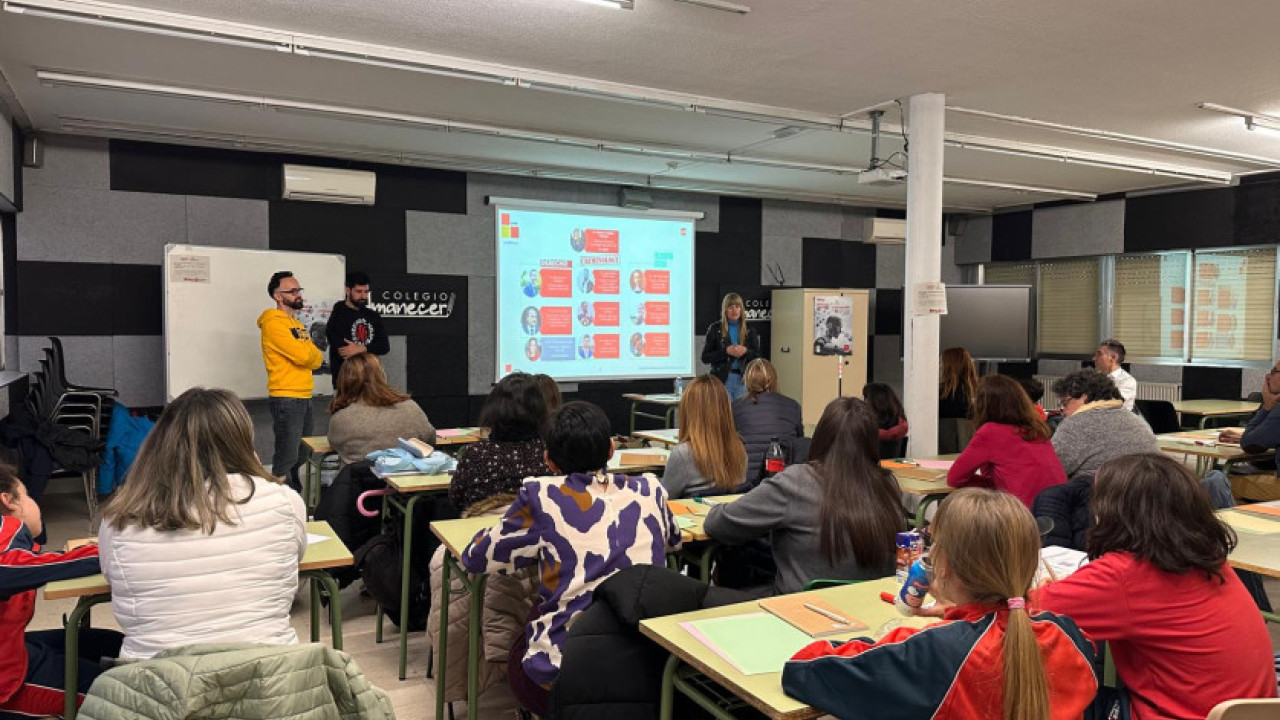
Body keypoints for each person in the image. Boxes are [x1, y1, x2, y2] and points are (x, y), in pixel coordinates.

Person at [783, 489, 1098, 720]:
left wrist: (887, 641)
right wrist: (962, 619)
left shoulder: (933, 652)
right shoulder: (1069, 636)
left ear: (942, 565)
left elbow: (804, 670)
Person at [460, 402, 681, 716]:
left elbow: (477, 559)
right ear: (611, 448)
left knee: (531, 622)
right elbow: (673, 541)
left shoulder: (541, 497)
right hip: (649, 672)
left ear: (548, 459)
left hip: (564, 679)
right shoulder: (651, 489)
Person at [1034, 454, 1277, 720]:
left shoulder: (1124, 575)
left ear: (1110, 513)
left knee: (1040, 686)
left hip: (1174, 714)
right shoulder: (1209, 561)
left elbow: (1021, 613)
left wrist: (1050, 591)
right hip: (1248, 712)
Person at [97, 388, 307, 660]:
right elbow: (294, 559)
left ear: (160, 443)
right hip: (269, 680)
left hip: (157, 688)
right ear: (243, 441)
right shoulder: (285, 501)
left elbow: (111, 577)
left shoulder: (120, 517)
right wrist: (259, 477)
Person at [703, 397, 904, 595]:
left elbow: (718, 524)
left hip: (798, 613)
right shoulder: (888, 486)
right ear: (872, 443)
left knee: (700, 596)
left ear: (821, 436)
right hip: (871, 612)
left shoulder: (795, 482)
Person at [0, 466, 123, 719]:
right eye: (28, 495)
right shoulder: (5, 529)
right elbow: (4, 568)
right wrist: (113, 552)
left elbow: (30, 562)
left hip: (11, 647)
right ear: (8, 501)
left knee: (109, 643)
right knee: (122, 696)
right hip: (6, 682)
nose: (35, 503)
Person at [946, 375, 1067, 508]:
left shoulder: (990, 432)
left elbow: (954, 478)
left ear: (983, 405)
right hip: (1058, 511)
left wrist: (991, 483)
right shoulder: (1037, 429)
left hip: (1022, 516)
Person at [449, 372, 551, 514]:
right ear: (541, 409)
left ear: (493, 409)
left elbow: (456, 499)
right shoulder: (550, 452)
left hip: (482, 531)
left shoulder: (476, 453)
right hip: (539, 530)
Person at [258, 271, 324, 490]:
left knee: (301, 454)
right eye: (292, 291)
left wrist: (310, 355)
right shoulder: (273, 323)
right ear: (278, 296)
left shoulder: (295, 324)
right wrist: (310, 355)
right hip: (287, 397)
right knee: (286, 457)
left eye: (299, 290)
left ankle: (294, 497)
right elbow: (308, 356)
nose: (298, 294)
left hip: (303, 396)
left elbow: (315, 358)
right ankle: (278, 498)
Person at [1049, 370, 1156, 484]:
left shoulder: (1075, 425)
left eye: (1065, 403)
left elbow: (1051, 470)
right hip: (1148, 494)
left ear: (1084, 398)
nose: (1062, 411)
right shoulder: (1138, 421)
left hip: (1102, 496)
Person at [327, 353, 435, 466]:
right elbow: (430, 439)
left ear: (343, 381)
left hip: (359, 481)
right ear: (382, 376)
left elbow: (334, 444)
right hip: (407, 479)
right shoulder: (411, 407)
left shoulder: (341, 418)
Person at [663, 375, 748, 499]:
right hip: (726, 516)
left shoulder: (683, 453)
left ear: (688, 411)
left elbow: (665, 498)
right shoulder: (739, 448)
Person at [733, 359, 803, 484]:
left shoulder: (736, 407)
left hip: (745, 482)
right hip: (783, 481)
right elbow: (799, 444)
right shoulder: (793, 406)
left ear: (747, 380)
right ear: (775, 379)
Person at [324, 270, 390, 384]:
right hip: (346, 381)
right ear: (347, 290)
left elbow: (384, 346)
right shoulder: (339, 312)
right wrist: (369, 349)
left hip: (371, 380)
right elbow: (343, 349)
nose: (363, 296)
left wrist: (361, 348)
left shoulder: (373, 315)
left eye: (366, 292)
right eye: (359, 291)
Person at [701, 293, 762, 403]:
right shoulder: (715, 329)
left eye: (737, 307)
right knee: (725, 415)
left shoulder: (749, 330)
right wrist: (725, 352)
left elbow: (758, 358)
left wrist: (746, 352)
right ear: (725, 310)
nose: (734, 310)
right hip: (722, 380)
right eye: (730, 307)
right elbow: (705, 358)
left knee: (740, 416)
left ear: (741, 309)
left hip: (743, 380)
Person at [937, 347, 977, 453]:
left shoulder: (940, 393)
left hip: (944, 441)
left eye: (941, 362)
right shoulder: (975, 391)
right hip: (969, 441)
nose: (939, 366)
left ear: (949, 366)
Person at [863, 382, 908, 458]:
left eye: (865, 398)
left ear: (875, 403)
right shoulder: (899, 424)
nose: (863, 402)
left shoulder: (865, 428)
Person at [1093, 339, 1136, 412]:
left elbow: (1112, 404)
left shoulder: (1127, 381)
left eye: (1099, 354)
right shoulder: (1095, 377)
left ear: (1113, 358)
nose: (1094, 359)